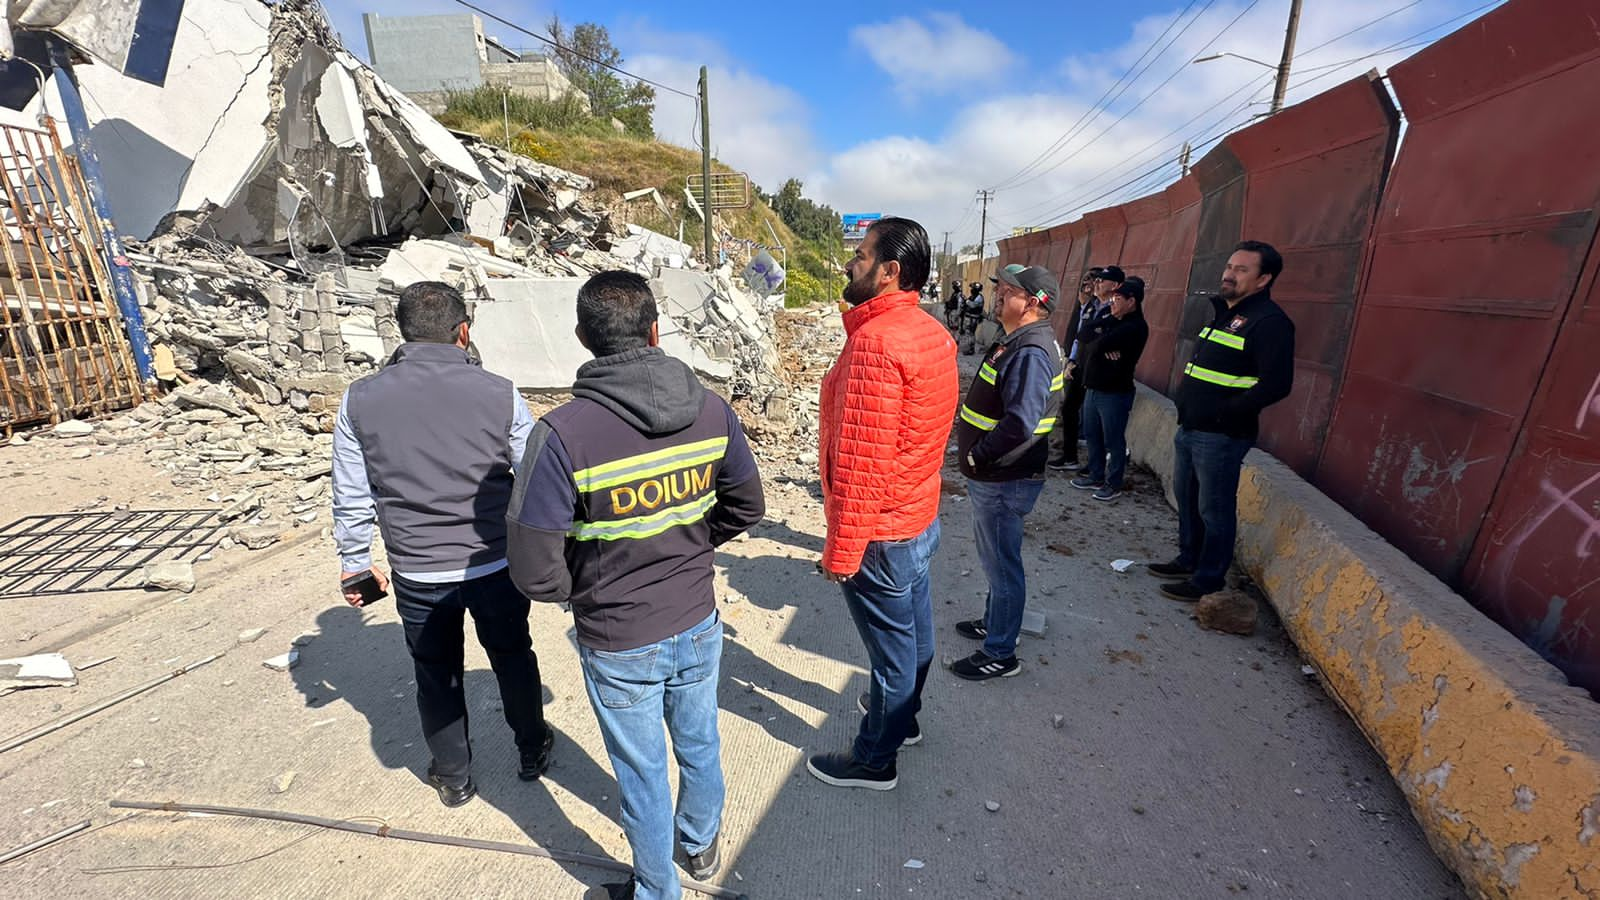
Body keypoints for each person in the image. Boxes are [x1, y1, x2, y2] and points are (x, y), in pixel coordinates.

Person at [505, 270, 765, 900]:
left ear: (582, 338)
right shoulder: (712, 410)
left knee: (642, 773)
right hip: (698, 619)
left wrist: (588, 588)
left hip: (618, 636)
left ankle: (658, 889)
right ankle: (700, 847)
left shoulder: (563, 434)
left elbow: (534, 568)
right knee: (700, 740)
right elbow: (746, 505)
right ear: (655, 330)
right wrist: (692, 549)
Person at [331, 281, 552, 809]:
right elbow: (534, 476)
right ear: (463, 332)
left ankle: (453, 775)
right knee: (512, 653)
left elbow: (351, 488)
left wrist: (354, 561)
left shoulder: (360, 398)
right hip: (493, 560)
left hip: (416, 568)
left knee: (435, 670)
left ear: (402, 332)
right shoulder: (500, 391)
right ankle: (530, 747)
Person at [809, 216, 958, 791]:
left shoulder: (876, 343)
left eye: (862, 255)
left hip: (883, 533)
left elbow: (861, 465)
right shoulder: (929, 331)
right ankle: (906, 721)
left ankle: (875, 759)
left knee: (891, 656)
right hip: (916, 519)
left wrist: (842, 554)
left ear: (890, 271)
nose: (851, 263)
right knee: (915, 637)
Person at [1151, 241, 1295, 602]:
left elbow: (1277, 385)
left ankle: (1209, 579)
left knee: (1214, 509)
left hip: (1222, 434)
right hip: (1192, 427)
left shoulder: (1270, 322)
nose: (1229, 274)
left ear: (1264, 279)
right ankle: (1189, 559)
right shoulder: (1224, 314)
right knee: (1187, 498)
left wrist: (1225, 412)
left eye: (1242, 269)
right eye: (1229, 266)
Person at [951, 265, 1064, 680]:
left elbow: (1021, 422)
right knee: (996, 562)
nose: (998, 295)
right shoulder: (1018, 341)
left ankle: (1000, 651)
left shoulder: (1031, 351)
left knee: (1002, 566)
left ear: (1033, 303)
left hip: (1003, 478)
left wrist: (979, 457)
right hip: (999, 477)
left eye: (1009, 291)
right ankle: (996, 622)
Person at [1070, 276, 1149, 502]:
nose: (1112, 303)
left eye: (1118, 298)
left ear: (1131, 301)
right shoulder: (1110, 317)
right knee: (1093, 436)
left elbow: (1097, 345)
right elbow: (1084, 333)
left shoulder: (1135, 327)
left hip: (1114, 393)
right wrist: (1102, 334)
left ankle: (1113, 483)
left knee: (1114, 441)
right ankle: (1095, 475)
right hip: (1093, 388)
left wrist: (1101, 339)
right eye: (1112, 298)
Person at [1049, 265, 1123, 471]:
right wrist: (1072, 361)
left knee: (1098, 423)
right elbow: (1079, 338)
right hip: (1081, 366)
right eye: (1095, 280)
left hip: (1099, 372)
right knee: (1070, 410)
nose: (1096, 284)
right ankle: (1070, 457)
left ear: (1115, 286)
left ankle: (1098, 467)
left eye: (1100, 280)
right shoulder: (1091, 307)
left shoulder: (1115, 309)